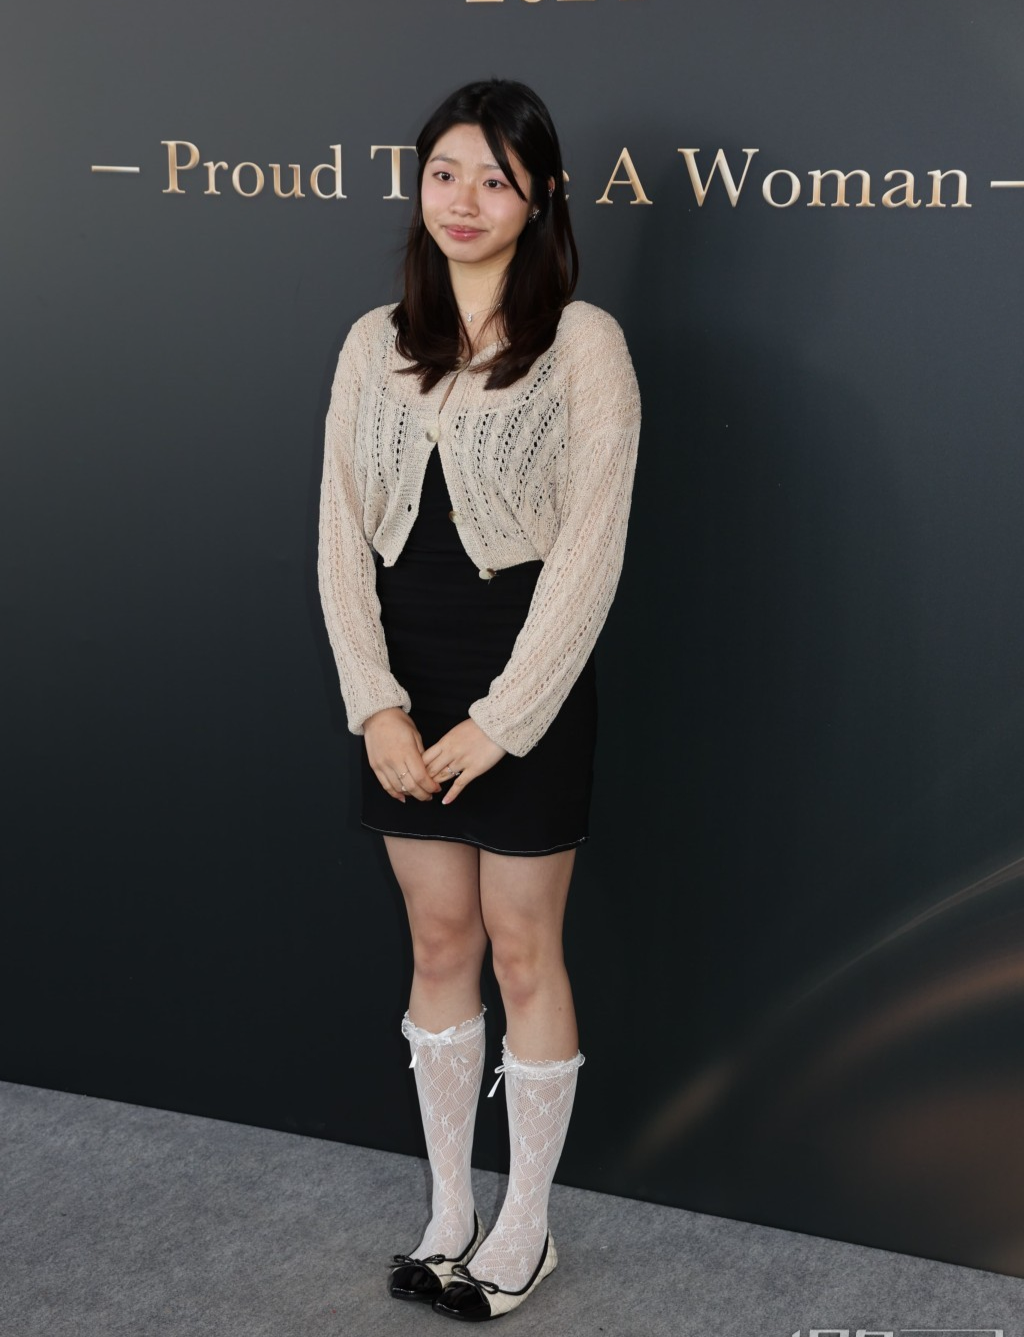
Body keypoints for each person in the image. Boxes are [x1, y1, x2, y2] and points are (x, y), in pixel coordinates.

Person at [317, 78, 640, 1321]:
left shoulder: (584, 344)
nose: (463, 199)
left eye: (494, 179)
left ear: (540, 195)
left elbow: (590, 554)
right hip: (406, 680)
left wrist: (502, 720)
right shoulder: (371, 341)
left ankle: (525, 1225)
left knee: (520, 944)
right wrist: (375, 703)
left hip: (527, 680)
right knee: (439, 941)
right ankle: (450, 1210)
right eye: (444, 173)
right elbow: (341, 538)